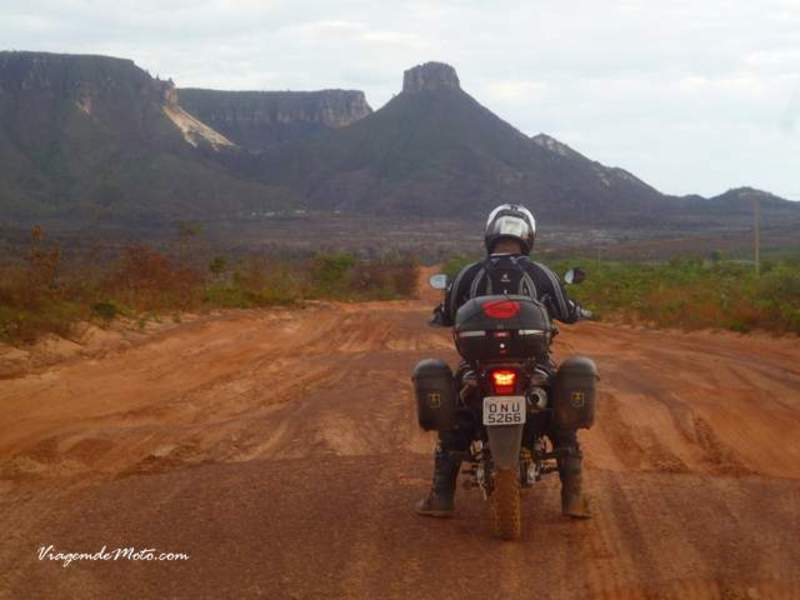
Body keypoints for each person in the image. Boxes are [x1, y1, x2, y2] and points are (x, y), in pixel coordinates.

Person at [416, 203, 592, 520]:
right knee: (561, 428)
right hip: (534, 366)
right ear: (528, 236)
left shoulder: (469, 273)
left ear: (491, 234)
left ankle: (441, 496)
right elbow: (567, 312)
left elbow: (446, 314)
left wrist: (442, 315)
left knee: (455, 425)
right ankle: (574, 497)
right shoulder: (542, 273)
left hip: (477, 369)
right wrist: (579, 311)